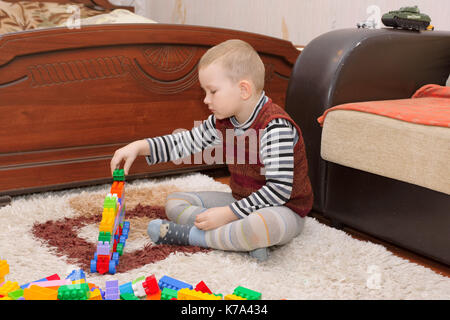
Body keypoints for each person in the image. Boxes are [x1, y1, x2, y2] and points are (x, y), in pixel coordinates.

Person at [110, 39, 313, 261]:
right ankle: (239, 239)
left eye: (212, 91)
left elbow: (278, 191)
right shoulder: (221, 121)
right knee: (175, 202)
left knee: (262, 225)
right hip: (241, 200)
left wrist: (227, 214)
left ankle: (194, 237)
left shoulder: (275, 127)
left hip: (284, 208)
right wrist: (139, 147)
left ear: (244, 89)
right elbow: (185, 142)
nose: (206, 100)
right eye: (205, 92)